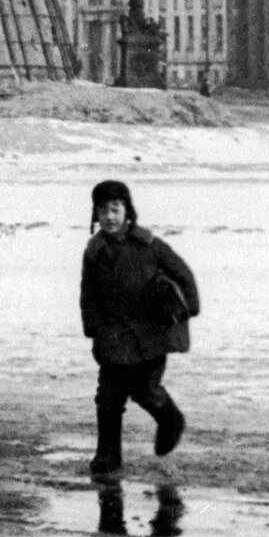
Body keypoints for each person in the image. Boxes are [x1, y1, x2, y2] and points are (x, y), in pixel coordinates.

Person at [80, 179, 200, 477]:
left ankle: (170, 419)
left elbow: (182, 273)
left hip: (149, 336)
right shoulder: (94, 251)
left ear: (127, 210)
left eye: (114, 209)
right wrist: (92, 325)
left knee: (145, 390)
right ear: (95, 214)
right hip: (111, 335)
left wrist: (189, 307)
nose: (108, 217)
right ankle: (108, 456)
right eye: (102, 211)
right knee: (108, 397)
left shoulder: (149, 245)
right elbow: (88, 292)